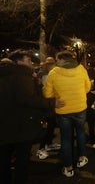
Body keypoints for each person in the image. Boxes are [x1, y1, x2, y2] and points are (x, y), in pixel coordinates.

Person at [0, 49, 62, 184]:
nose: (31, 62)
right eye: (28, 60)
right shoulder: (22, 76)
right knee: (22, 160)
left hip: (4, 124)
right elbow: (29, 99)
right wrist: (52, 103)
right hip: (22, 125)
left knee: (4, 159)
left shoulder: (5, 74)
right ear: (19, 61)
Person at [43, 50, 91, 177]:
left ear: (60, 59)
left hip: (63, 110)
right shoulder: (81, 69)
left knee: (66, 138)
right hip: (80, 108)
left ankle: (68, 167)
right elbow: (87, 88)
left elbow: (47, 94)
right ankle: (82, 157)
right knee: (80, 132)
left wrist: (56, 96)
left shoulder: (53, 72)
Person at [36, 56, 61, 160]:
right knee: (47, 127)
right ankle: (41, 148)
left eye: (52, 63)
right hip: (47, 104)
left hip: (52, 103)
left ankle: (49, 144)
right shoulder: (43, 74)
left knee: (51, 125)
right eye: (49, 63)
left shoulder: (54, 73)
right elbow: (46, 90)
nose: (52, 65)